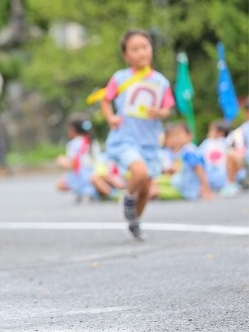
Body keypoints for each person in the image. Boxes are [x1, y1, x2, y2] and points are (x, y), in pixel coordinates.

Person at [100, 29, 176, 240]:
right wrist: (110, 118)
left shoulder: (160, 82)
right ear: (126, 55)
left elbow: (167, 108)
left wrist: (160, 113)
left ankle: (135, 220)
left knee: (146, 187)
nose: (142, 52)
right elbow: (106, 100)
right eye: (135, 49)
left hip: (149, 141)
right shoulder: (120, 78)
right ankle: (127, 198)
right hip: (125, 137)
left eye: (145, 47)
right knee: (139, 172)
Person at [160, 122, 214, 200]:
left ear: (189, 136)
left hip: (186, 189)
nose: (175, 138)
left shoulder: (188, 151)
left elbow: (198, 167)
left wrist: (205, 187)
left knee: (156, 189)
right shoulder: (183, 150)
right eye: (173, 136)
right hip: (181, 184)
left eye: (178, 135)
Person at [55, 116, 99, 202]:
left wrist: (61, 161)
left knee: (60, 184)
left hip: (82, 176)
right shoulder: (93, 142)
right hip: (96, 173)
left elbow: (74, 164)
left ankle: (81, 191)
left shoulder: (73, 144)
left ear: (73, 130)